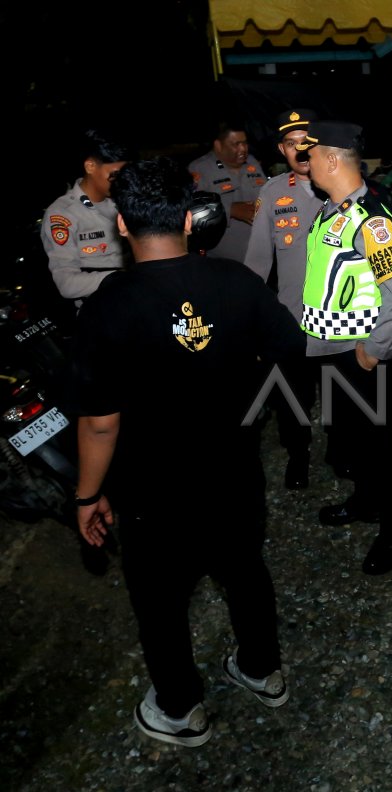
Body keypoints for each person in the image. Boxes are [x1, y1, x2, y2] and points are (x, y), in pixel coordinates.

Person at [72, 157, 304, 748]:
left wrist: (88, 494)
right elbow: (288, 350)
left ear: (122, 224)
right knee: (246, 571)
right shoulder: (234, 281)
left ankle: (180, 708)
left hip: (155, 490)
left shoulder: (108, 305)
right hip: (233, 471)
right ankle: (262, 669)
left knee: (160, 599)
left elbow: (100, 423)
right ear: (185, 216)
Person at [295, 120, 392, 576]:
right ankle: (366, 501)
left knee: (378, 442)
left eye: (311, 155)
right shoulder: (333, 210)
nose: (306, 164)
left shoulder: (372, 220)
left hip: (359, 355)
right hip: (332, 348)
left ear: (331, 159)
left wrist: (375, 351)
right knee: (352, 437)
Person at [244, 108, 325, 490]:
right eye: (293, 144)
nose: (301, 149)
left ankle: (344, 452)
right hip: (292, 320)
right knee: (293, 398)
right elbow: (258, 261)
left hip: (341, 320)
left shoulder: (341, 187)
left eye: (307, 141)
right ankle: (298, 455)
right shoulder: (272, 192)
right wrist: (252, 321)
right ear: (282, 149)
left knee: (344, 394)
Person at [41, 129, 134, 309]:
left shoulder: (124, 201)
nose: (122, 181)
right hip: (99, 310)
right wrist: (124, 278)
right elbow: (67, 284)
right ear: (90, 166)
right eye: (114, 175)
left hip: (133, 302)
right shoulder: (63, 215)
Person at [187, 120, 267, 263]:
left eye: (245, 143)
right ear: (218, 145)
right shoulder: (200, 168)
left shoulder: (252, 162)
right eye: (236, 144)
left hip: (259, 259)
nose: (243, 149)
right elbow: (190, 210)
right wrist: (230, 210)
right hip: (219, 261)